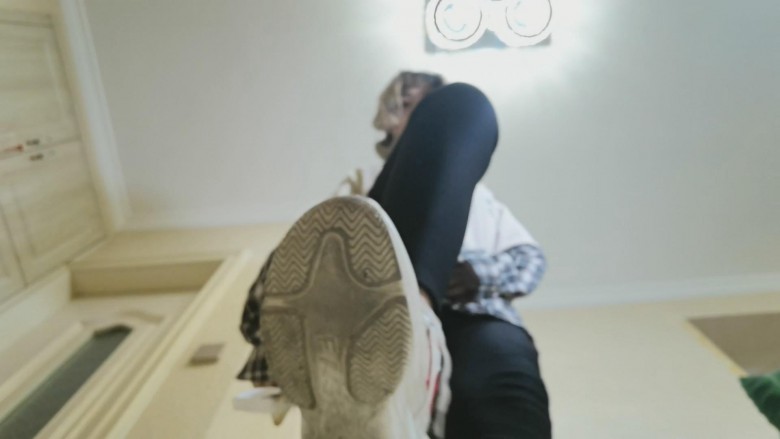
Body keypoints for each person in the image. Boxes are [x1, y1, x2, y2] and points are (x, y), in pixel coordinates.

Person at [238, 72, 551, 438]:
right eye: (406, 104)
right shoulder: (364, 182)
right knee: (463, 106)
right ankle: (409, 331)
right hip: (373, 317)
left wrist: (478, 274)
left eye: (423, 103)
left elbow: (529, 260)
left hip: (479, 320)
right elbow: (303, 262)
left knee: (508, 405)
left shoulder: (482, 198)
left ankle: (416, 351)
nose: (421, 112)